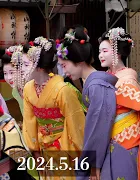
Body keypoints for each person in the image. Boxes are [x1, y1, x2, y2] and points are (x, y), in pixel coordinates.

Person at [56, 27, 119, 180]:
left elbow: (99, 127)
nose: (64, 72)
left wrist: (93, 165)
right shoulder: (93, 83)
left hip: (103, 153)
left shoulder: (96, 86)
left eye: (64, 66)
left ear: (79, 61)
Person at [22, 36, 86, 179]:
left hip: (64, 148)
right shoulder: (28, 89)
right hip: (42, 149)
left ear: (38, 67)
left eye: (26, 65)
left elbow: (75, 123)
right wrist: (35, 151)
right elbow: (29, 121)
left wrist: (76, 153)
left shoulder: (62, 90)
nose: (21, 69)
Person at [98, 27, 140, 179]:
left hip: (126, 140)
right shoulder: (108, 76)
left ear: (117, 52)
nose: (100, 55)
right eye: (100, 52)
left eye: (105, 51)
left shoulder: (128, 79)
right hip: (109, 139)